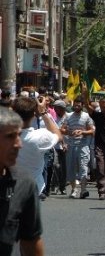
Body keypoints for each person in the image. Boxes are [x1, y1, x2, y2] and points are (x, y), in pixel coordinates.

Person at [0, 107, 45, 256]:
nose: (18, 144)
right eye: (10, 136)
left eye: (19, 135)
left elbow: (31, 241)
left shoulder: (24, 183)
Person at [12, 97, 62, 196]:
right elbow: (58, 136)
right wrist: (43, 112)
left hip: (9, 189)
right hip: (33, 189)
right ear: (33, 115)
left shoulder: (4, 136)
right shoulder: (40, 136)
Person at [60, 96, 95, 199]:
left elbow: (92, 131)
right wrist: (69, 132)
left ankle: (83, 190)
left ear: (82, 106)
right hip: (71, 146)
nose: (76, 107)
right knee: (71, 169)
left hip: (83, 146)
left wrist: (82, 132)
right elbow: (62, 129)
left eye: (78, 105)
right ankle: (74, 189)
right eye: (75, 105)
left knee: (84, 168)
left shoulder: (86, 116)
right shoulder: (68, 116)